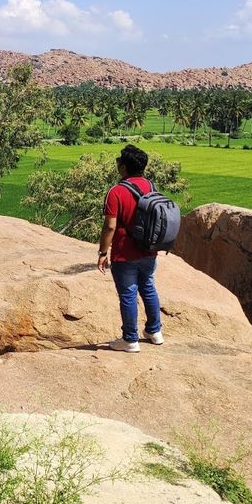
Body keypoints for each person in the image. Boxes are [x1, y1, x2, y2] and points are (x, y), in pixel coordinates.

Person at [97, 144, 163, 353]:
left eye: (119, 162)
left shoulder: (116, 191)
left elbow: (110, 226)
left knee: (128, 293)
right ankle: (155, 332)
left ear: (124, 167)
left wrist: (102, 253)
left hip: (125, 253)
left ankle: (130, 339)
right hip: (149, 249)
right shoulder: (151, 186)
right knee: (148, 288)